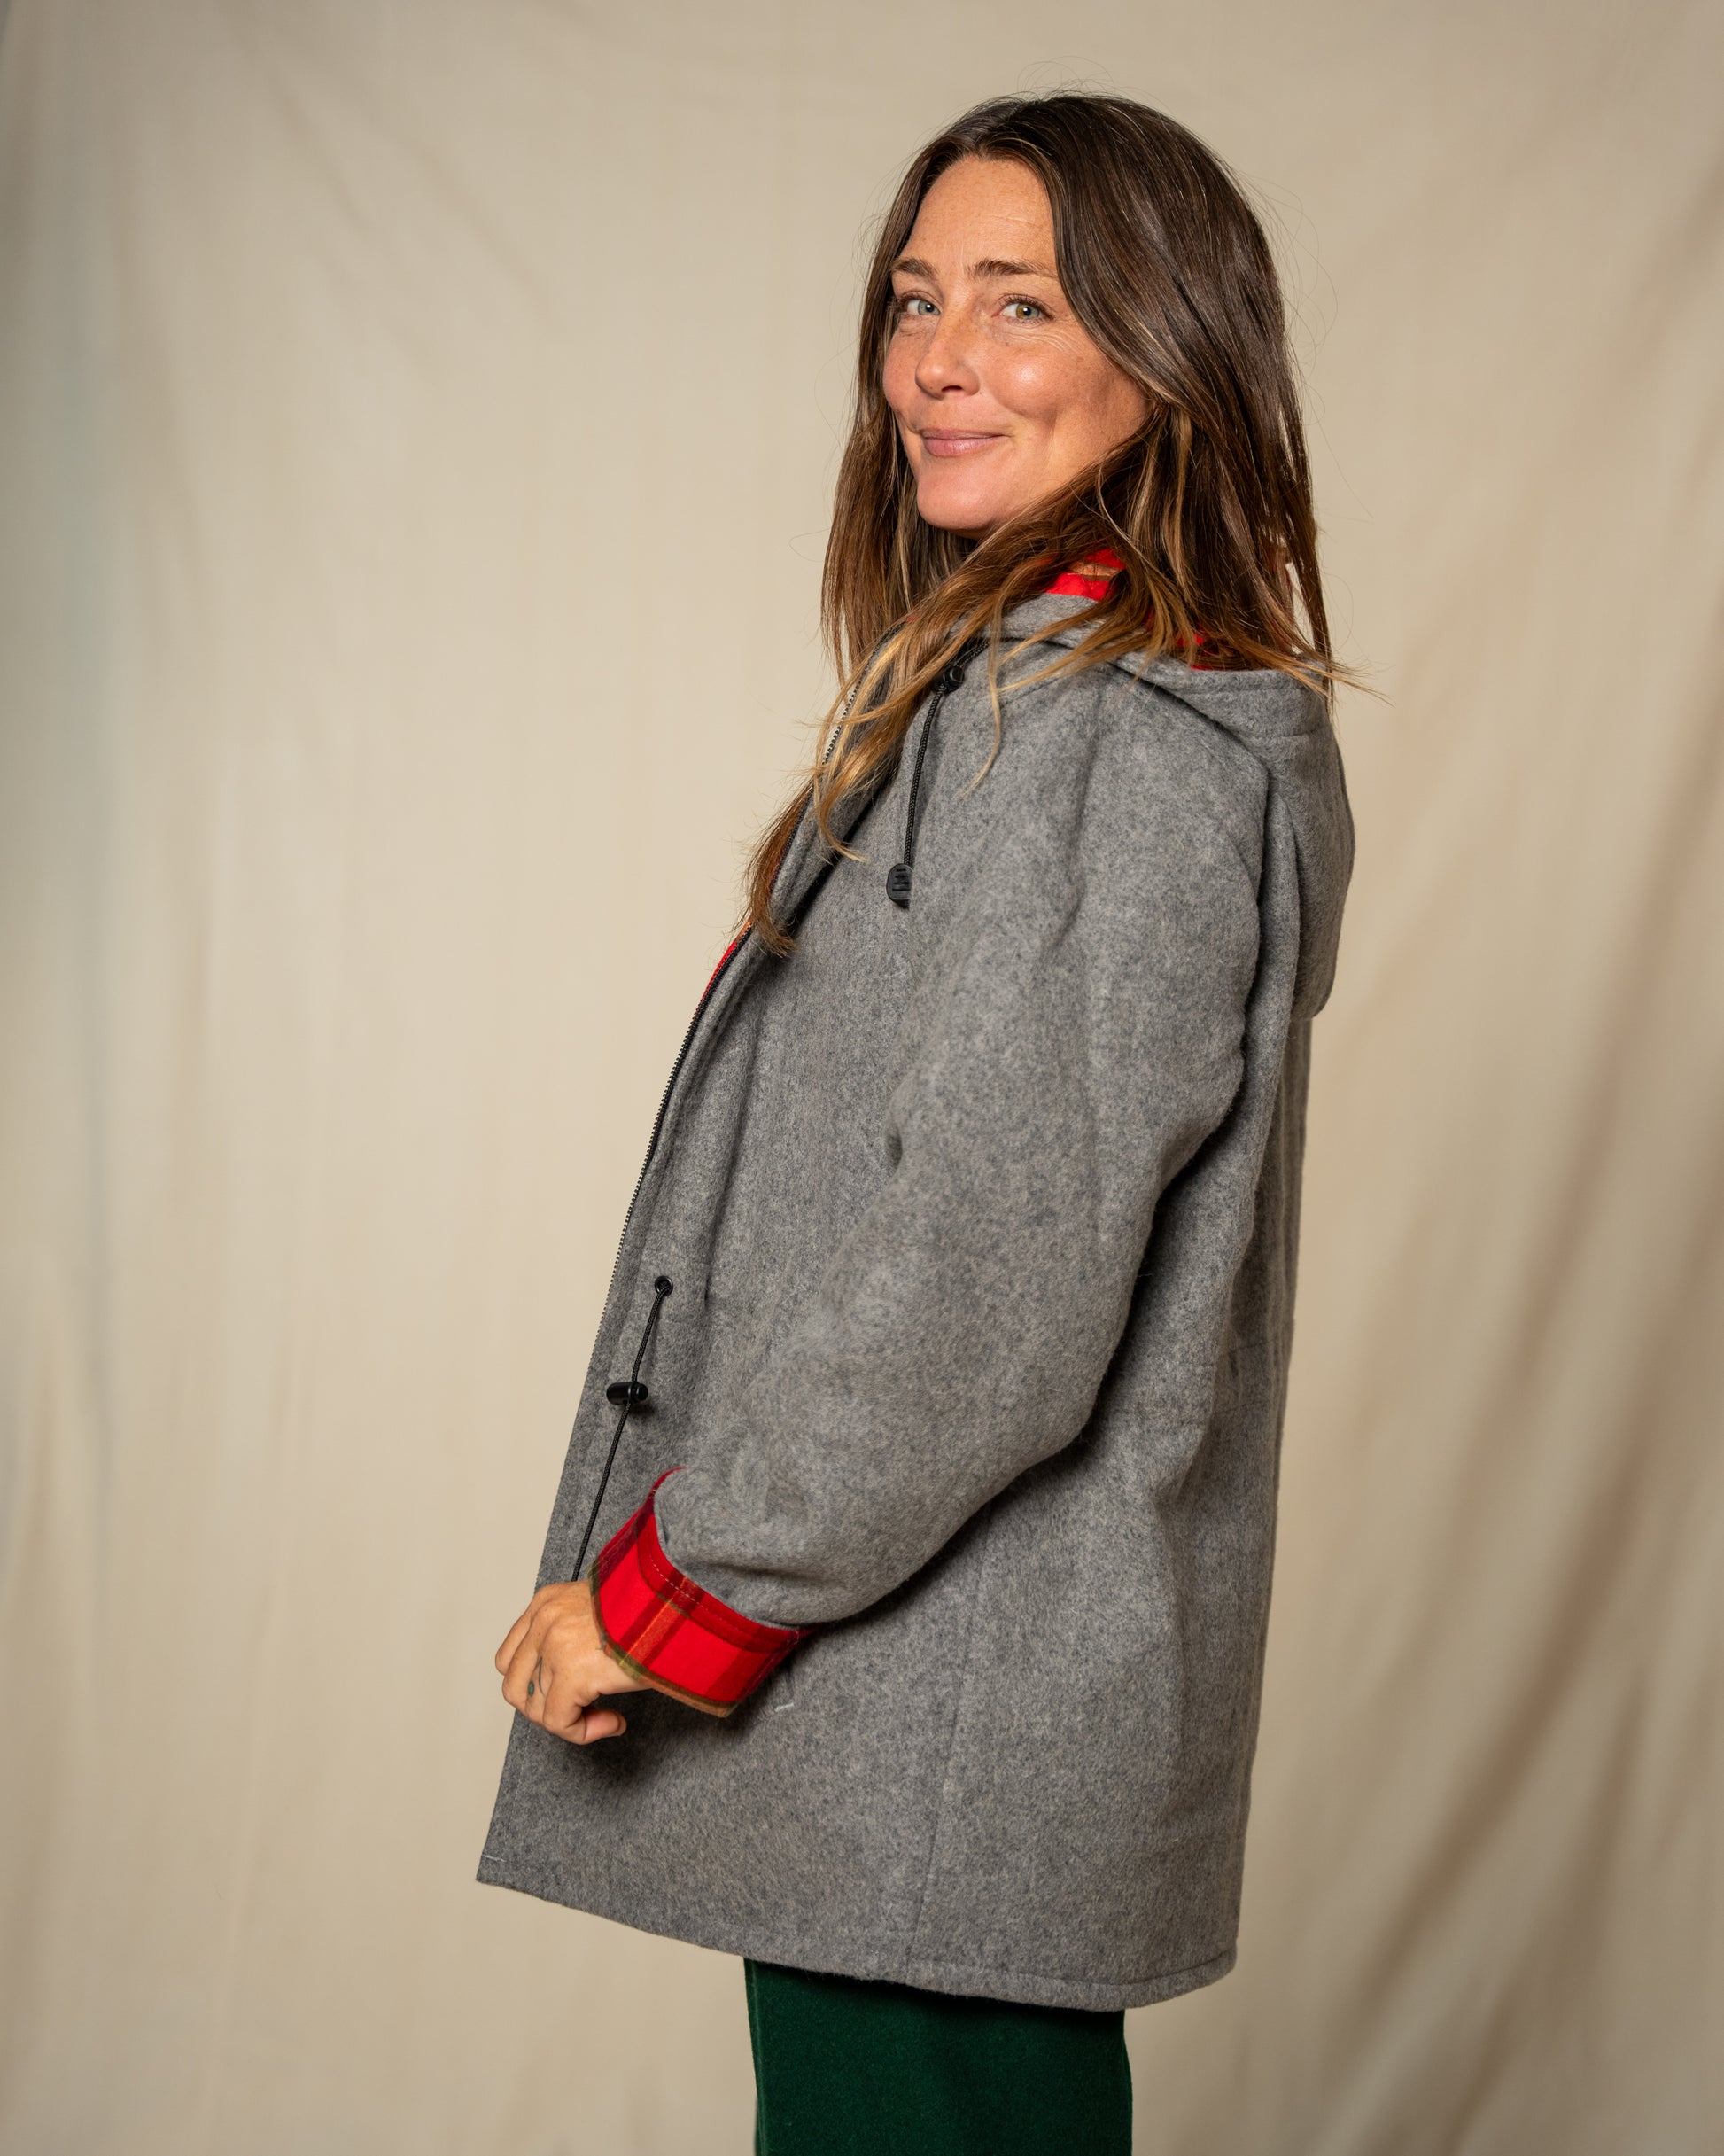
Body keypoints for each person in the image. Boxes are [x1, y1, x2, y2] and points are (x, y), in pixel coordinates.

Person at [481, 90, 1353, 2155]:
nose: (938, 360)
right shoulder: (1009, 700)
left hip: (947, 1735)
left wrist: (670, 1578)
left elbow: (989, 1271)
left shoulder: (1120, 749)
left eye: (1020, 303)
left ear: (1167, 352)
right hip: (904, 1724)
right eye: (912, 299)